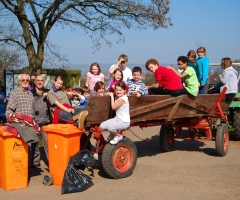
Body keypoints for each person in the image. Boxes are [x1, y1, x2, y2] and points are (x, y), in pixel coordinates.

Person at [30, 75, 51, 166]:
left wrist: (49, 96)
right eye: (37, 80)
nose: (39, 82)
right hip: (34, 121)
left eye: (41, 80)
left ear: (44, 82)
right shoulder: (30, 93)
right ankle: (35, 162)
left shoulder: (49, 92)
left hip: (46, 121)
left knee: (48, 143)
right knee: (34, 143)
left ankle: (51, 161)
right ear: (34, 82)